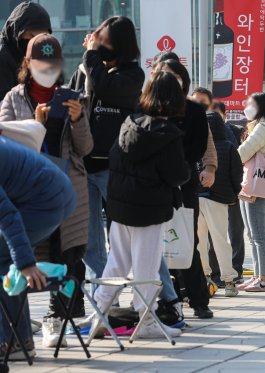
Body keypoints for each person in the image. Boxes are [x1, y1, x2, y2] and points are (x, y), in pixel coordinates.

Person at [0, 33, 93, 347]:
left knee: (64, 258)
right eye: (41, 64)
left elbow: (86, 148)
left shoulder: (73, 97)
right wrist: (34, 122)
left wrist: (78, 120)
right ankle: (22, 332)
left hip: (65, 186)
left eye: (53, 64)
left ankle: (53, 325)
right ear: (28, 63)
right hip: (26, 190)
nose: (48, 70)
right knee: (21, 257)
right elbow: (7, 138)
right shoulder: (14, 98)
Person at [91, 71, 189, 339]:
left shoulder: (129, 123)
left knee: (117, 262)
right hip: (149, 209)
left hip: (120, 208)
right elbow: (176, 173)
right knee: (146, 266)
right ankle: (145, 319)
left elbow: (115, 159)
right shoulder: (167, 134)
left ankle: (101, 310)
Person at [68, 16, 145, 285]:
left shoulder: (133, 75)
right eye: (97, 41)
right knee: (90, 241)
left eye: (104, 42)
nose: (98, 46)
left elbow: (105, 88)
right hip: (84, 164)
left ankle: (166, 300)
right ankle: (105, 301)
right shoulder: (86, 68)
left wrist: (90, 56)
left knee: (130, 235)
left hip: (115, 167)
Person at [0, 136, 76, 361]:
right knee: (4, 260)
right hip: (55, 192)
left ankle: (13, 342)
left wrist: (25, 263)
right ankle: (19, 341)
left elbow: (7, 216)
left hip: (45, 201)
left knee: (3, 256)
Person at [152, 56, 212, 320]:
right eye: (163, 75)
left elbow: (200, 147)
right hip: (153, 184)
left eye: (174, 77)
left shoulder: (195, 111)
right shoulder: (147, 108)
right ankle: (167, 298)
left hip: (184, 182)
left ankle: (199, 299)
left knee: (188, 239)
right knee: (156, 242)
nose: (169, 82)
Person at [237, 92, 265, 292]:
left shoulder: (262, 128)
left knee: (258, 233)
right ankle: (257, 276)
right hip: (251, 184)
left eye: (250, 104)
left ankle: (264, 279)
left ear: (260, 107)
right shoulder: (259, 127)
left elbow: (244, 152)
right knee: (252, 233)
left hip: (257, 185)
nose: (246, 107)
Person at [196, 111, 243, 296]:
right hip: (219, 200)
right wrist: (233, 195)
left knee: (199, 242)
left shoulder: (199, 146)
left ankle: (205, 278)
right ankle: (229, 281)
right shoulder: (229, 147)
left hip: (197, 198)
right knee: (220, 240)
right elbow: (237, 175)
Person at [211, 99, 245, 282]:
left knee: (235, 230)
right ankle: (216, 272)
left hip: (231, 191)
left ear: (224, 115)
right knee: (216, 234)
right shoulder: (202, 136)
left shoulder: (236, 132)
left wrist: (236, 190)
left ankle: (236, 268)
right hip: (211, 193)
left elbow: (237, 165)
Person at [0, 2, 51, 100]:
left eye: (42, 37)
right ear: (17, 31)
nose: (36, 41)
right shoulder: (3, 58)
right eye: (32, 35)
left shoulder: (25, 53)